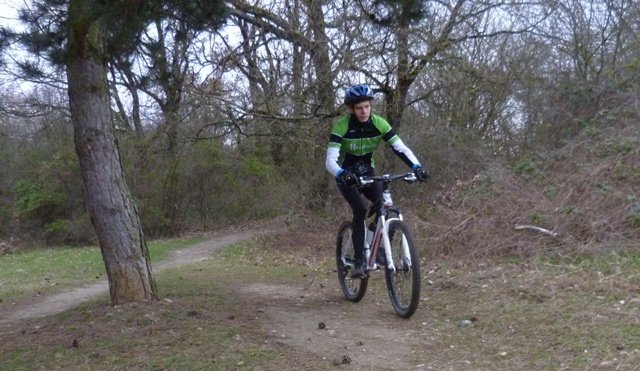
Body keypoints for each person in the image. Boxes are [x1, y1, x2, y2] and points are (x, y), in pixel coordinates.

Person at [325, 84, 429, 278]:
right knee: (361, 210)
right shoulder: (342, 126)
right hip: (346, 175)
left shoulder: (379, 123)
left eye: (367, 106)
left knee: (383, 205)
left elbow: (401, 148)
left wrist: (417, 167)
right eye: (359, 108)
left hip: (368, 172)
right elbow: (330, 160)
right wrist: (341, 174)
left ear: (371, 106)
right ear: (351, 109)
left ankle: (374, 247)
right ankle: (358, 260)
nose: (364, 111)